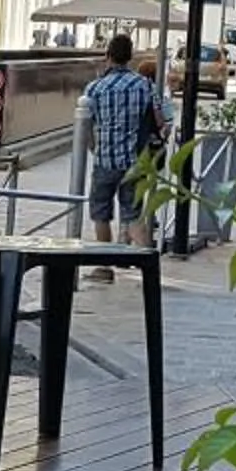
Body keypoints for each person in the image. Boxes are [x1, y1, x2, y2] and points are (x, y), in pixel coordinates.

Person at [80, 30, 166, 282]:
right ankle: (148, 269)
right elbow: (159, 121)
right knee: (133, 213)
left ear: (108, 56)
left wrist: (95, 147)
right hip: (136, 161)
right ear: (130, 57)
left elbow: (87, 127)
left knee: (101, 212)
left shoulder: (95, 88)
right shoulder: (145, 86)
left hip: (105, 159)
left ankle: (104, 267)